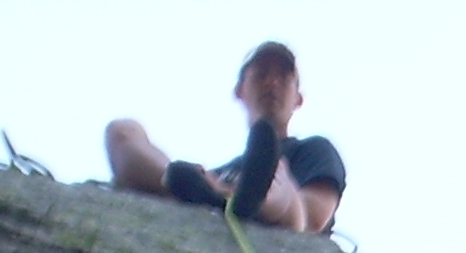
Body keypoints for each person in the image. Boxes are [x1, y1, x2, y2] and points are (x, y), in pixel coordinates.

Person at [104, 42, 345, 235]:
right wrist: (209, 184)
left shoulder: (313, 149)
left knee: (279, 176)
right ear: (239, 91)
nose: (272, 83)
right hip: (206, 189)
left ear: (298, 99)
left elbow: (313, 216)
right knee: (123, 129)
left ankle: (256, 195)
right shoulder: (220, 170)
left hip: (286, 217)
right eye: (261, 75)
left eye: (283, 77)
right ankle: (194, 188)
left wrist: (270, 186)